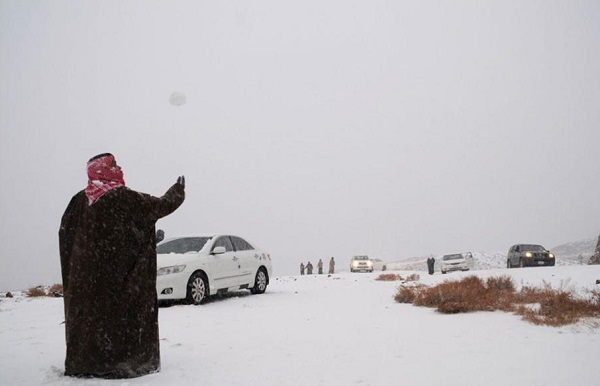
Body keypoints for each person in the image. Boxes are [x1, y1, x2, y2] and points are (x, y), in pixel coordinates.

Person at [58, 153, 185, 379]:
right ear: (103, 170)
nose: (120, 168)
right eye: (115, 165)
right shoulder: (122, 198)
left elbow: (65, 235)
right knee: (119, 321)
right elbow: (159, 206)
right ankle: (119, 361)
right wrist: (177, 192)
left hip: (87, 285)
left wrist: (81, 268)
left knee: (94, 322)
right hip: (117, 281)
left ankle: (88, 361)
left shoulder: (79, 202)